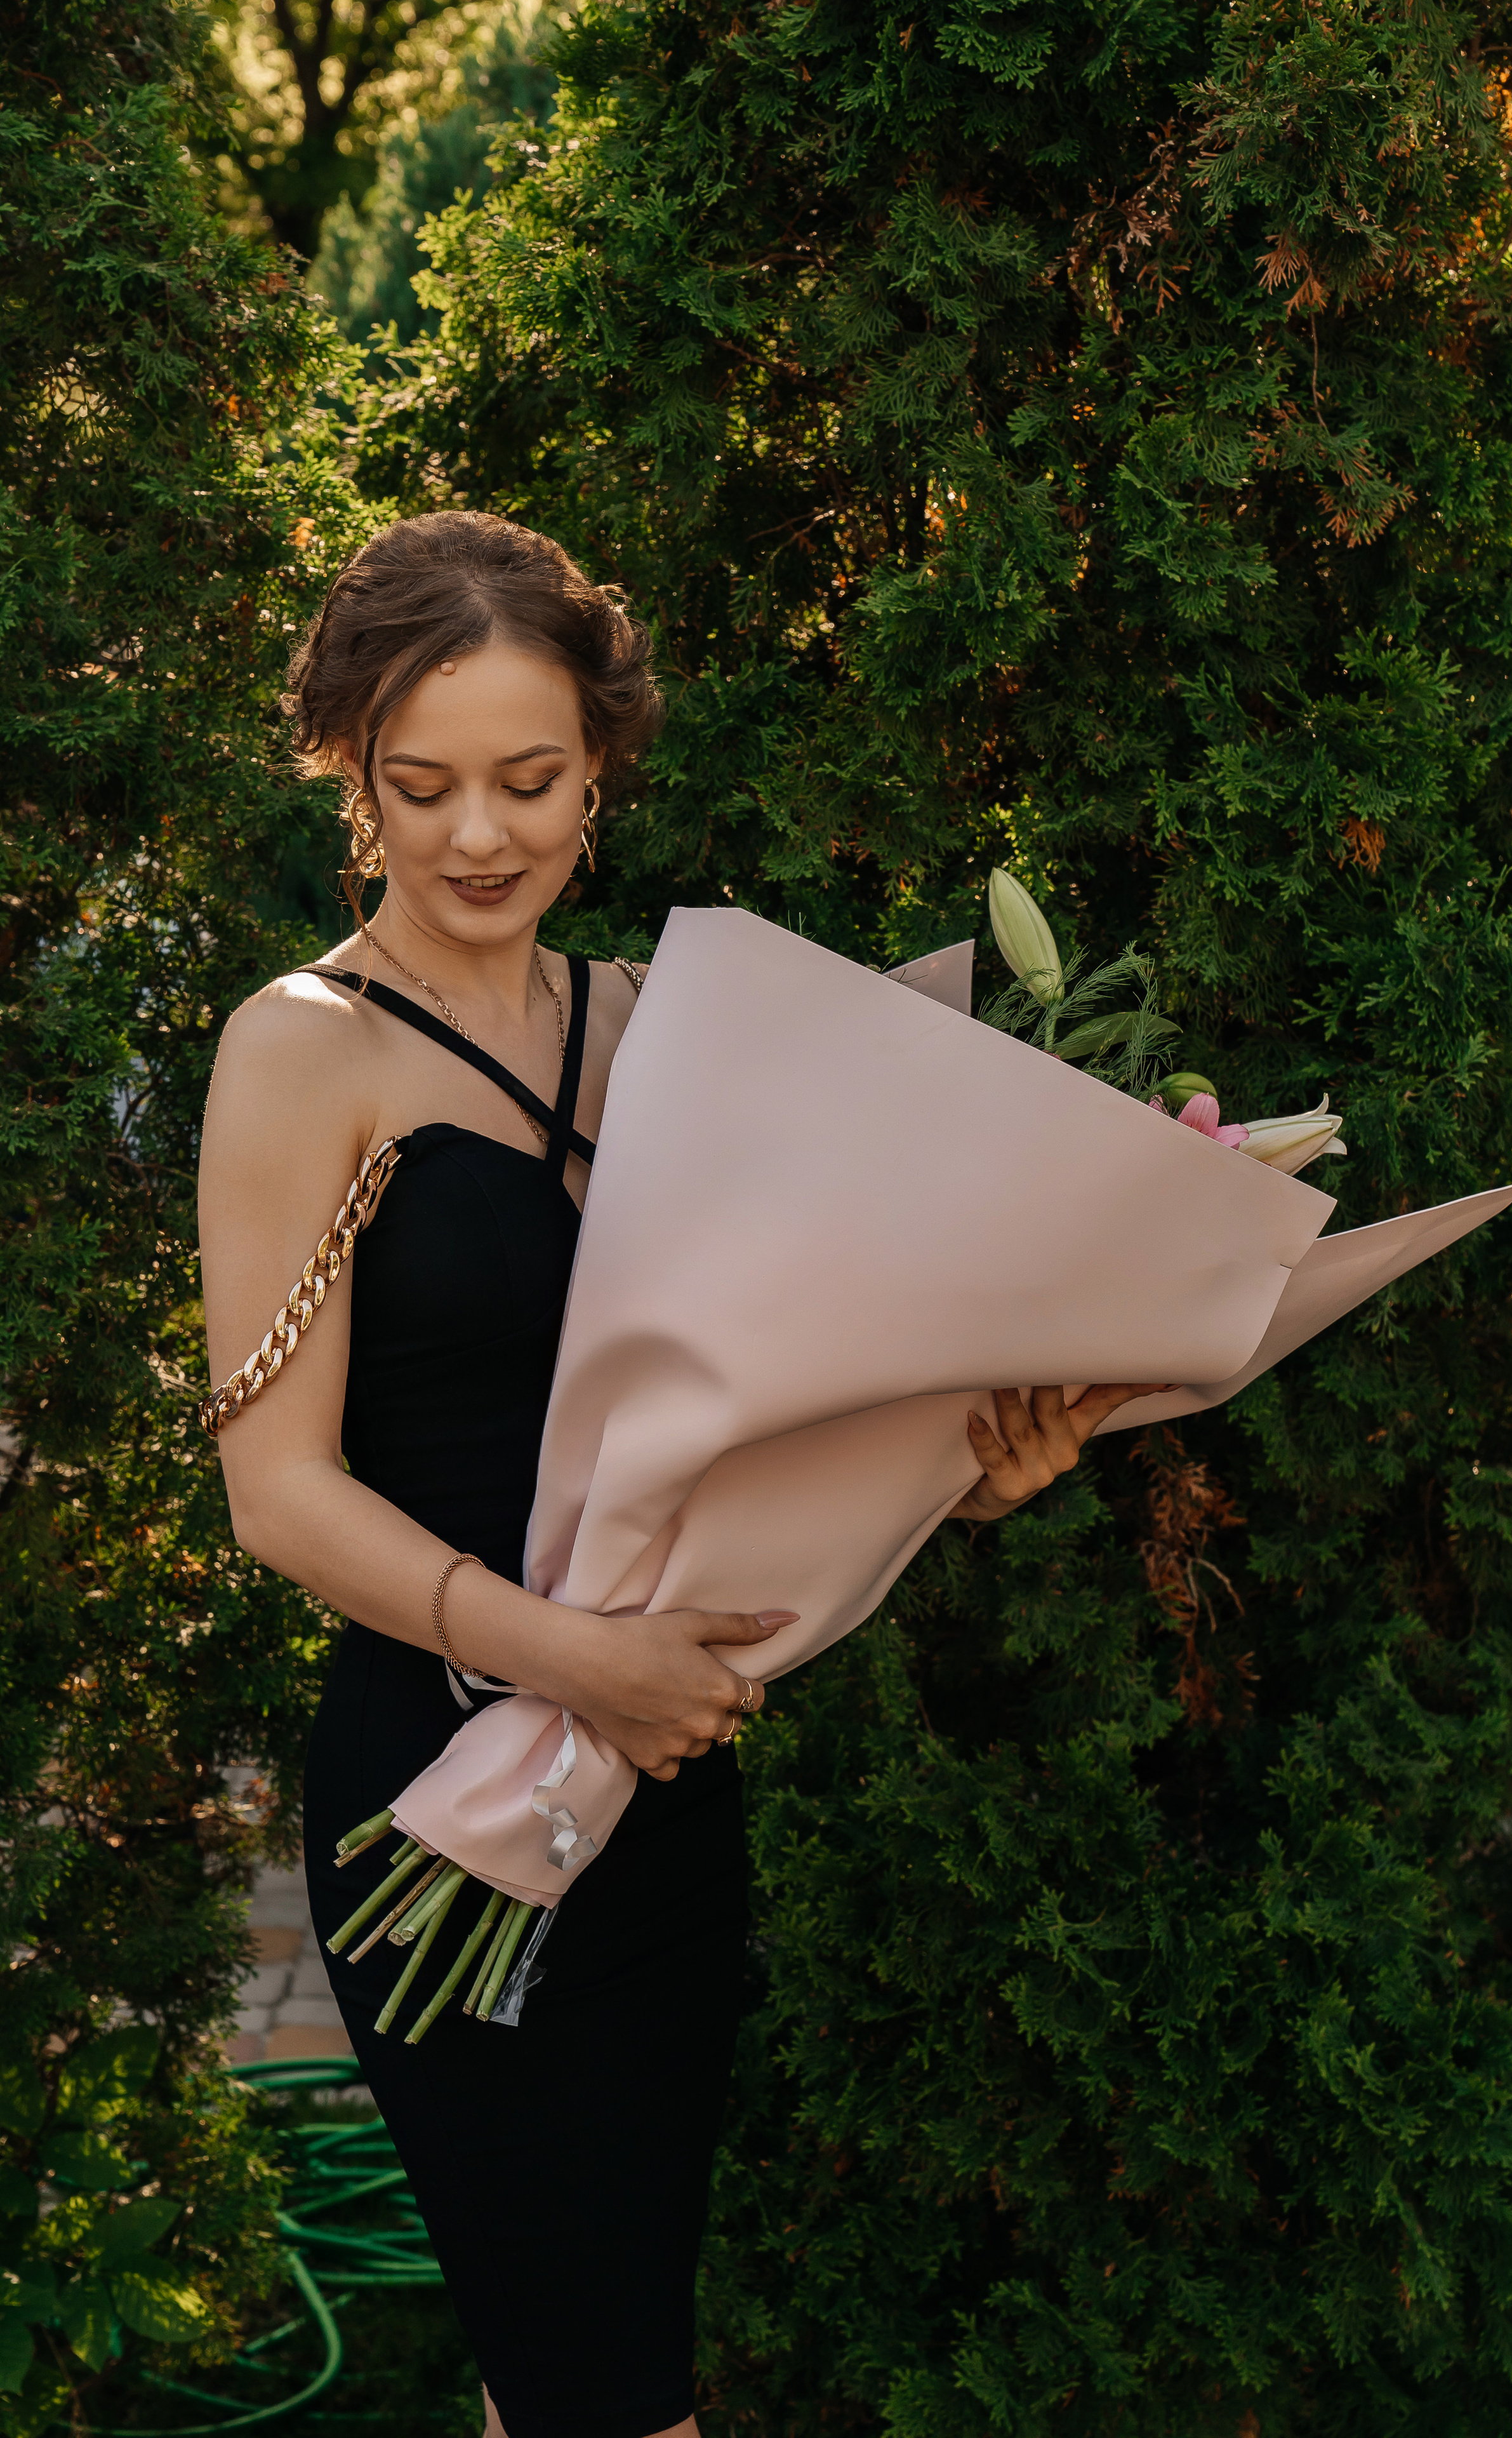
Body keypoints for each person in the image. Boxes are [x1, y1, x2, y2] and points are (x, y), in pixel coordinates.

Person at [197, 510, 1159, 2438]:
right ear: (350, 773)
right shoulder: (300, 1052)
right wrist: (571, 1657)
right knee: (608, 2391)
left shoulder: (659, 1026)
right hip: (438, 1793)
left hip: (656, 1794)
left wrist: (973, 1473)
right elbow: (277, 1496)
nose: (482, 837)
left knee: (587, 2364)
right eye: (426, 786)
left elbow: (773, 1408)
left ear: (602, 773)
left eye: (532, 782)